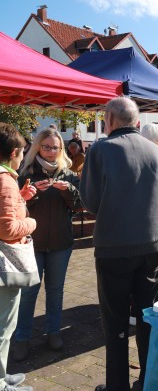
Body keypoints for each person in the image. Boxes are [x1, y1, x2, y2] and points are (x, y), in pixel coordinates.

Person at [79, 97, 158, 391]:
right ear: (136, 120)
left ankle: (117, 390)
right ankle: (148, 381)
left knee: (116, 320)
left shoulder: (100, 150)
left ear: (109, 121)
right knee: (148, 316)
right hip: (154, 245)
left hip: (115, 247)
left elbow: (90, 202)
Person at [13, 128, 81, 361]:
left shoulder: (68, 174)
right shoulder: (25, 172)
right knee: (28, 292)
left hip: (61, 243)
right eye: (47, 147)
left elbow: (78, 206)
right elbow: (16, 208)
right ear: (37, 147)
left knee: (55, 291)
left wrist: (69, 190)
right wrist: (29, 196)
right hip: (32, 243)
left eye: (56, 147)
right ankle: (21, 338)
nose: (51, 152)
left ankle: (53, 333)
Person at [0, 122, 37, 391]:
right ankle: (1, 387)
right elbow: (8, 229)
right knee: (3, 327)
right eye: (23, 151)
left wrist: (19, 199)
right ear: (14, 152)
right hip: (4, 267)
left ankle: (2, 374)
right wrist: (32, 221)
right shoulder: (5, 180)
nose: (23, 156)